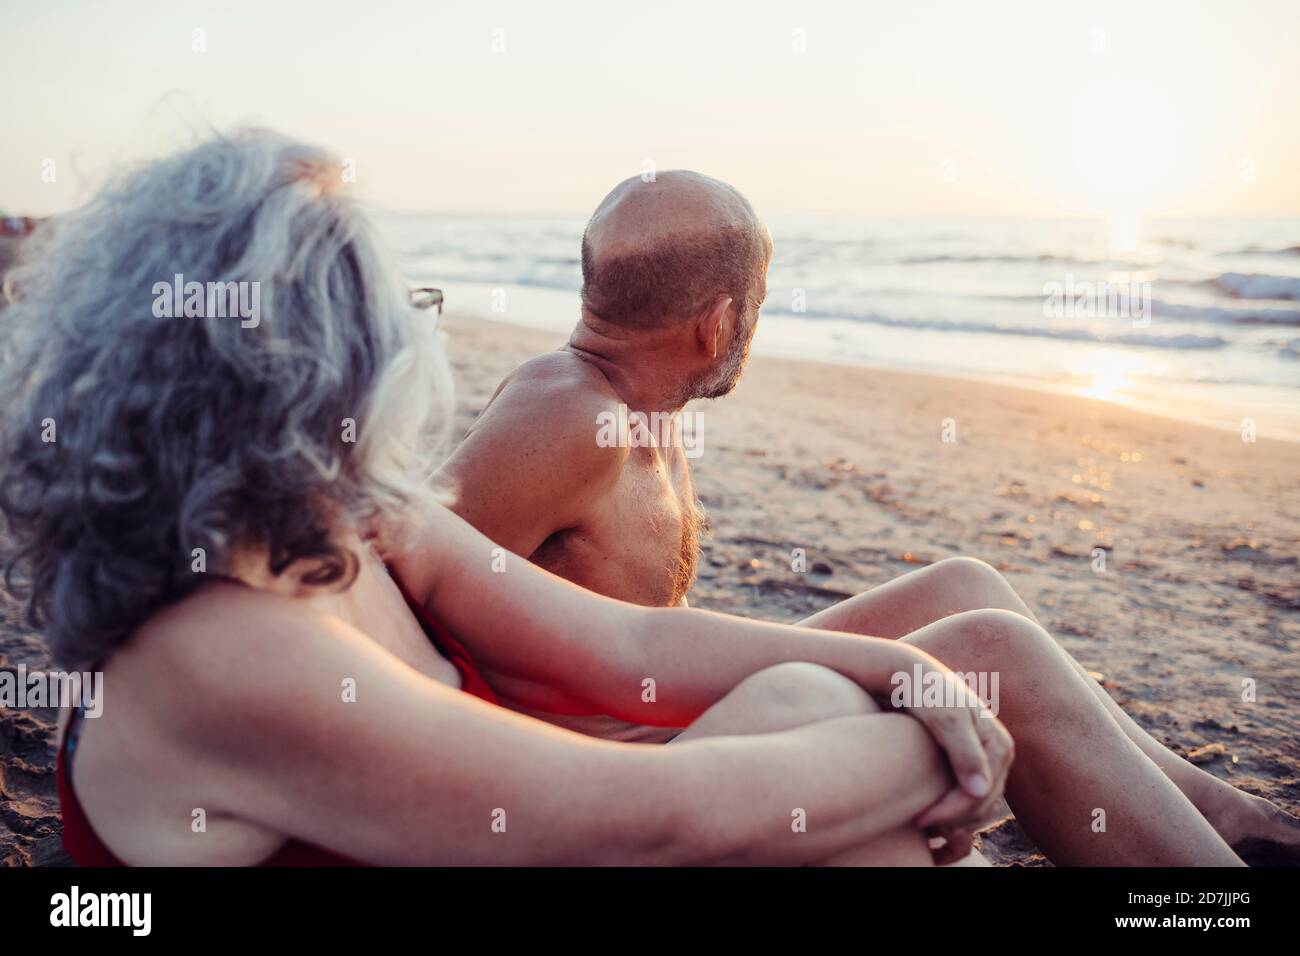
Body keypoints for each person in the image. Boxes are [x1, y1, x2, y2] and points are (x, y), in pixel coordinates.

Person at [0, 131, 1245, 866]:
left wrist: (913, 684)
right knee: (860, 705)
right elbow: (638, 817)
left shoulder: (339, 515)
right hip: (576, 798)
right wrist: (941, 744)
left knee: (903, 666)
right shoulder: (215, 650)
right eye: (382, 317)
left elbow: (632, 639)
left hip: (554, 801)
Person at [437, 169, 1298, 864]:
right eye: (758, 309)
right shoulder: (564, 418)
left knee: (967, 585)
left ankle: (1216, 810)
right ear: (719, 323)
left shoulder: (642, 402)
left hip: (660, 704)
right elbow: (412, 583)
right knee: (998, 650)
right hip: (626, 768)